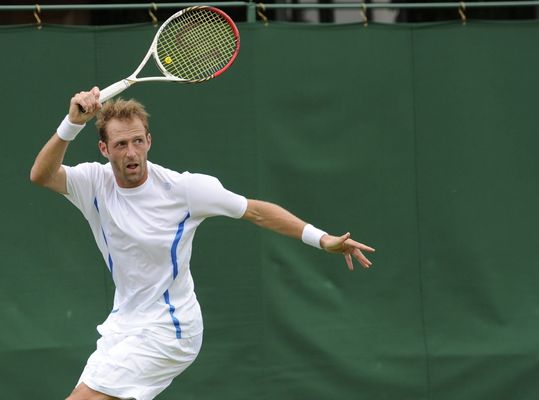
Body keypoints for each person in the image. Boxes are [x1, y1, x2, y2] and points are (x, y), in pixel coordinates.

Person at [30, 87, 375, 400]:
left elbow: (255, 211)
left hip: (171, 328)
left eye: (138, 141)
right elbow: (42, 175)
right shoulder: (94, 183)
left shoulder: (185, 189)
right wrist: (71, 123)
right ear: (104, 149)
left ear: (149, 141)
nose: (131, 152)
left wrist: (323, 239)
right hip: (123, 324)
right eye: (121, 144)